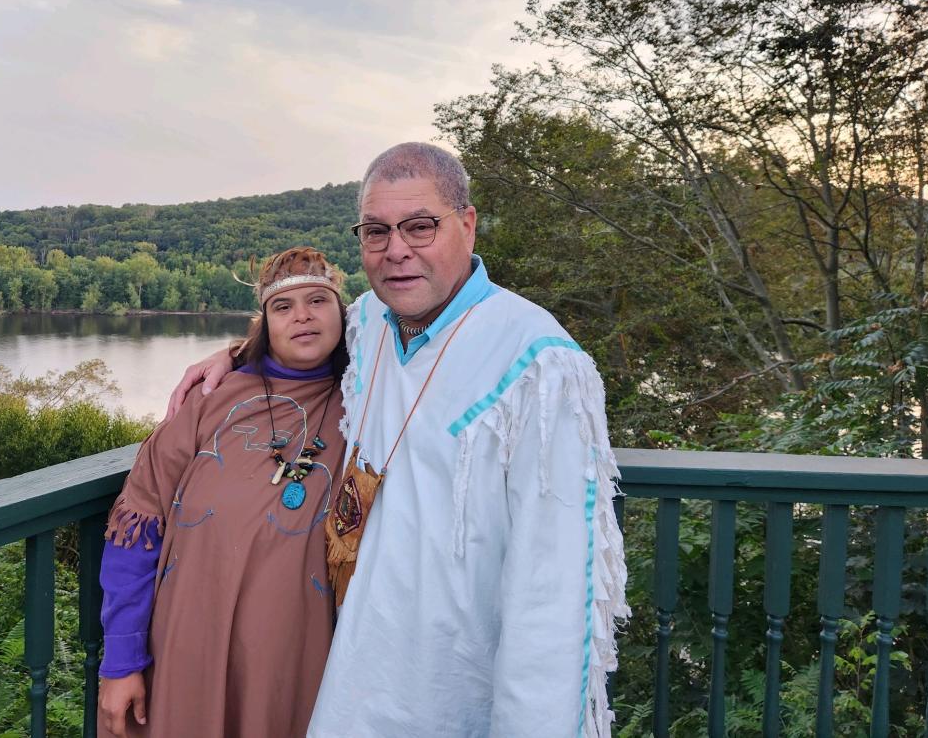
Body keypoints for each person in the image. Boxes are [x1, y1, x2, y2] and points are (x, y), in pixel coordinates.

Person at [168, 143, 629, 738]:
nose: (397, 251)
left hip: (463, 686)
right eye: (376, 232)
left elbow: (555, 590)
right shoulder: (368, 325)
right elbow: (298, 334)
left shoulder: (538, 366)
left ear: (467, 224)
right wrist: (233, 355)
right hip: (357, 668)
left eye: (419, 226)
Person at [97, 247, 350, 738]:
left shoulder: (366, 399)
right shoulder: (210, 401)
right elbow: (137, 525)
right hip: (189, 645)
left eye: (318, 301)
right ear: (265, 323)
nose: (302, 316)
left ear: (342, 313)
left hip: (301, 661)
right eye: (283, 307)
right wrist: (122, 661)